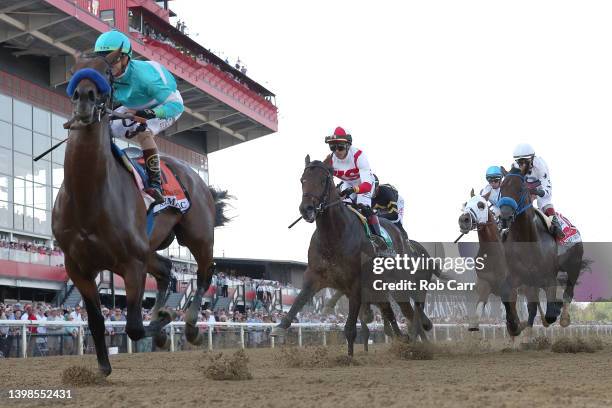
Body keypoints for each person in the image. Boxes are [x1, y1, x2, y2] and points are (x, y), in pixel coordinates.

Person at [94, 30, 185, 204]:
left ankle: (156, 184)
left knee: (144, 131)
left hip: (165, 104)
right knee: (102, 128)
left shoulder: (145, 77)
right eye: (103, 58)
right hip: (134, 105)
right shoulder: (106, 75)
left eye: (112, 59)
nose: (108, 64)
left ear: (125, 58)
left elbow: (176, 106)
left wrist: (147, 114)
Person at [324, 126, 386, 251]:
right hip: (348, 184)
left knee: (362, 207)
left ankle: (378, 239)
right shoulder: (330, 160)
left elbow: (367, 185)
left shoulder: (358, 155)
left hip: (365, 183)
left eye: (340, 147)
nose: (336, 151)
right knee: (340, 208)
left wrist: (354, 190)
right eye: (332, 147)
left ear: (348, 145)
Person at [512, 143, 564, 238]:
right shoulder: (515, 166)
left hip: (540, 188)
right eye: (519, 162)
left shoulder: (540, 166)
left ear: (532, 158)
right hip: (526, 189)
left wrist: (538, 192)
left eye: (525, 161)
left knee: (544, 202)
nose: (522, 165)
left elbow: (547, 187)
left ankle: (556, 225)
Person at [371, 174, 408, 240]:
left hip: (397, 201)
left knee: (396, 222)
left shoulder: (387, 193)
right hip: (381, 206)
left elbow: (394, 215)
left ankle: (406, 240)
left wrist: (378, 216)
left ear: (377, 186)